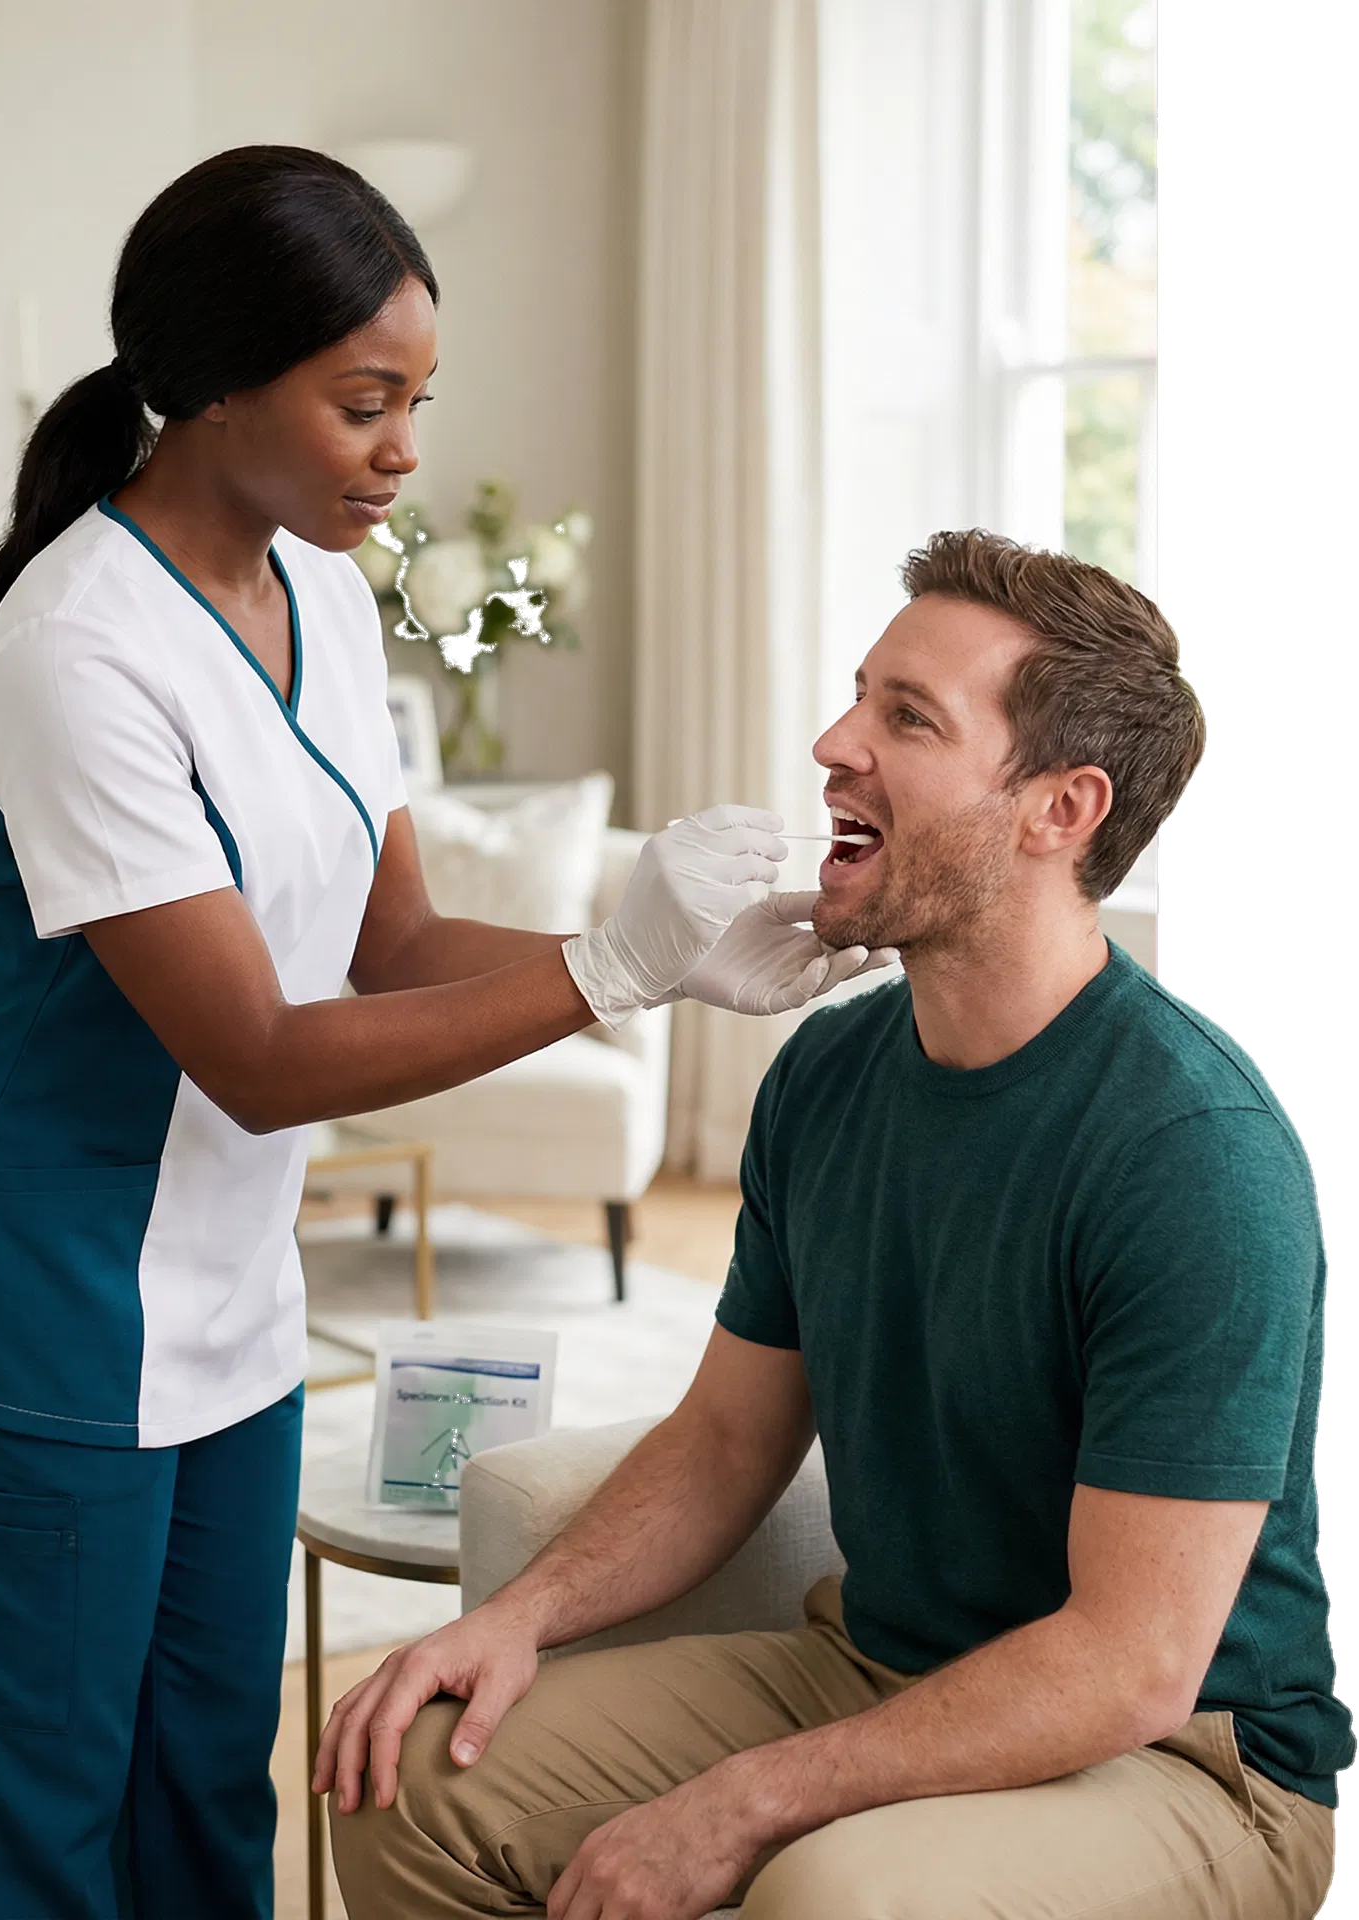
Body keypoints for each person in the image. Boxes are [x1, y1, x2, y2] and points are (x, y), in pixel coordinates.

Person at [0, 145, 890, 1919]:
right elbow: (256, 1049)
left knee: (203, 1798)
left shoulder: (326, 588)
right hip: (24, 1282)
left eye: (417, 402)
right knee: (32, 1829)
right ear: (217, 384)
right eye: (362, 403)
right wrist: (607, 974)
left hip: (226, 1288)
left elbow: (386, 943)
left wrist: (668, 959)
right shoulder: (78, 645)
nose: (405, 451)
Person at [321, 530, 1352, 1920]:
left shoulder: (1189, 1153)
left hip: (1180, 1761)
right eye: (857, 695)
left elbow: (1127, 1662)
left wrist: (742, 1799)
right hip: (877, 1667)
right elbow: (726, 1439)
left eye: (903, 718)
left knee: (838, 1892)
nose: (829, 742)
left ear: (1058, 809)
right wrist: (511, 1618)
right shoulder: (827, 1071)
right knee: (421, 1773)